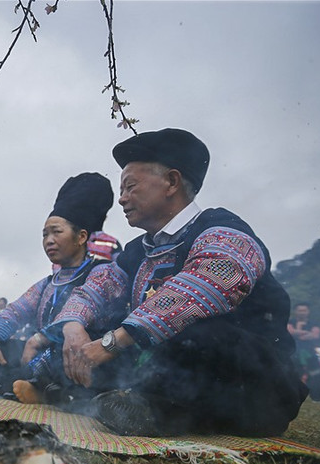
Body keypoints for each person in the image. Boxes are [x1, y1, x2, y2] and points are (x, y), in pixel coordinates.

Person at [55, 128, 307, 437]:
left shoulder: (223, 228)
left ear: (172, 182)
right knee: (88, 336)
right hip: (164, 369)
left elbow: (208, 284)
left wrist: (113, 342)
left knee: (196, 332)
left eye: (130, 186)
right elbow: (97, 286)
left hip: (250, 383)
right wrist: (73, 328)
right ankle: (93, 392)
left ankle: (149, 406)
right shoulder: (138, 249)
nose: (121, 199)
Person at [0, 173, 116, 403]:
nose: (49, 240)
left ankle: (46, 391)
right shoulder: (49, 282)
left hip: (72, 354)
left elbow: (84, 302)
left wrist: (39, 339)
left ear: (81, 237)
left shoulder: (102, 271)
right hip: (37, 353)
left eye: (57, 232)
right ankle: (46, 391)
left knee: (59, 354)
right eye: (45, 234)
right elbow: (16, 310)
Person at [287, 302, 320, 384]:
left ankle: (316, 393)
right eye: (300, 310)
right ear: (295, 311)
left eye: (304, 310)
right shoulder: (290, 322)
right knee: (293, 371)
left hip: (309, 351)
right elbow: (289, 332)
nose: (302, 312)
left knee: (315, 372)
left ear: (308, 311)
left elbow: (316, 335)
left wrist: (298, 332)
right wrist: (304, 331)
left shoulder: (314, 323)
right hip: (293, 351)